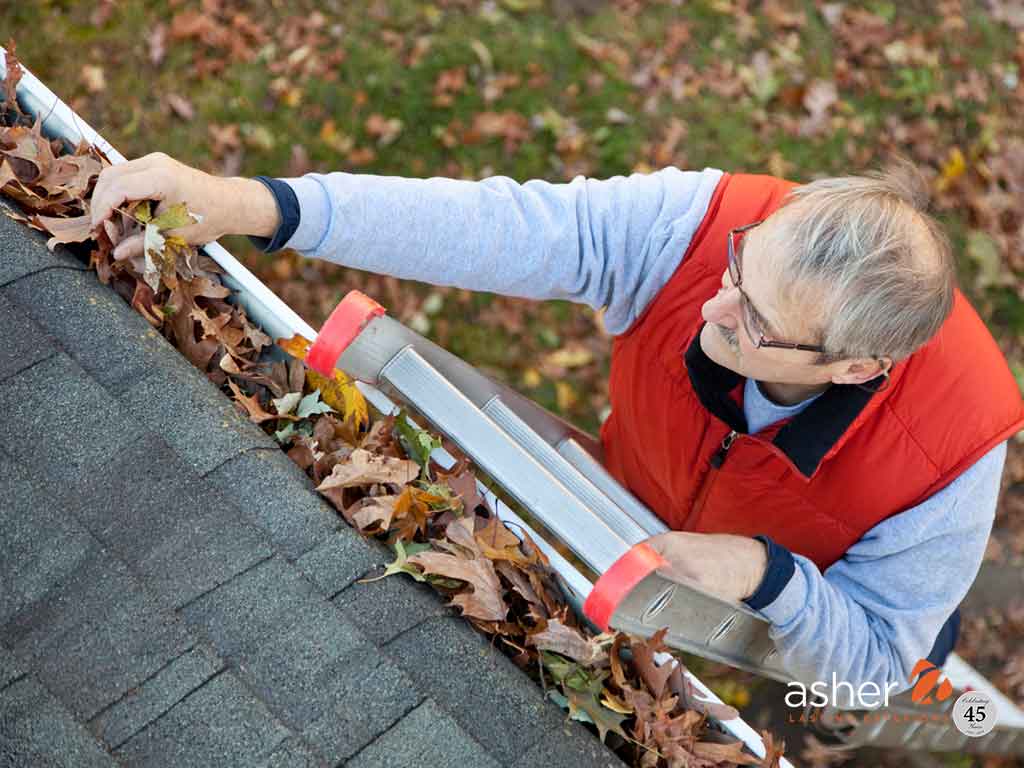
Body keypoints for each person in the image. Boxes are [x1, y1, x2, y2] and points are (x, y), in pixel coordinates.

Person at [90, 153, 1023, 704]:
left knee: (855, 708)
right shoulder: (708, 231)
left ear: (855, 369)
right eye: (739, 270)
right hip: (634, 517)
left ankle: (961, 718)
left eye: (755, 324)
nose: (713, 308)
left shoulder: (951, 453)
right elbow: (503, 226)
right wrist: (261, 205)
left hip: (822, 627)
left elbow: (873, 660)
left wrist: (765, 576)